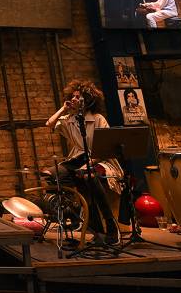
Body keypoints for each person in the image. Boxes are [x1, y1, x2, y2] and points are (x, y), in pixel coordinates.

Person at [45, 79, 123, 244]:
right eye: (72, 96)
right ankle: (78, 215)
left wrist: (89, 163)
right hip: (78, 158)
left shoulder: (97, 118)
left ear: (87, 100)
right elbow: (50, 123)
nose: (73, 99)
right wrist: (64, 108)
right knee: (52, 175)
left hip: (101, 158)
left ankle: (110, 225)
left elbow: (107, 148)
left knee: (88, 177)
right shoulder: (69, 118)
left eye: (77, 97)